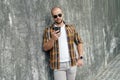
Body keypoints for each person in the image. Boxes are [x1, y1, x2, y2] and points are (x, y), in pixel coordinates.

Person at [43, 6, 84, 80]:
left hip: (72, 63)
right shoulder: (48, 30)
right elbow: (45, 48)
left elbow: (79, 42)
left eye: (59, 15)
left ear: (62, 14)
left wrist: (80, 57)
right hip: (58, 65)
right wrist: (52, 39)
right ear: (53, 17)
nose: (58, 17)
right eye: (55, 16)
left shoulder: (71, 28)